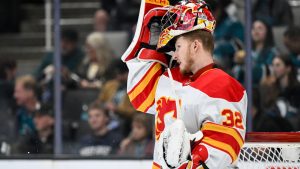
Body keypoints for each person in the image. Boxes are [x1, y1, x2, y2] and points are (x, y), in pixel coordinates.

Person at [122, 1, 247, 168]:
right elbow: (139, 97)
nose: (175, 53)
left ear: (195, 46)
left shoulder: (224, 85)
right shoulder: (169, 79)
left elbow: (224, 144)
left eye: (178, 46)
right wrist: (149, 43)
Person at [233, 19, 278, 85]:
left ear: (267, 32)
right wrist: (238, 64)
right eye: (253, 28)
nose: (256, 31)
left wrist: (246, 63)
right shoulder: (246, 51)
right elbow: (236, 73)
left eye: (260, 28)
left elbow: (268, 71)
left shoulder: (273, 52)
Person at [98, 59, 135, 135]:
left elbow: (136, 112)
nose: (118, 77)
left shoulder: (136, 88)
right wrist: (105, 105)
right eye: (117, 74)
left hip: (125, 121)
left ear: (129, 73)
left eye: (121, 74)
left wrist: (117, 109)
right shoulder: (110, 85)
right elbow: (99, 102)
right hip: (107, 118)